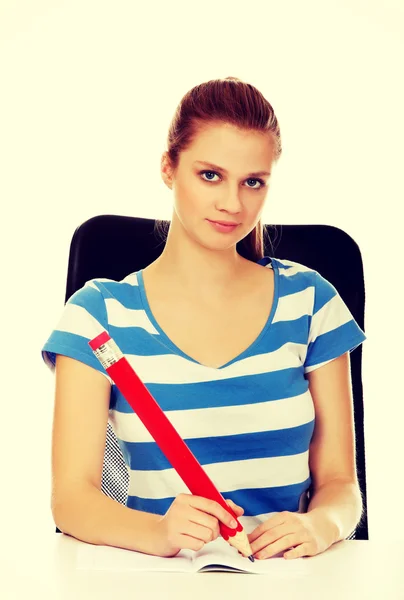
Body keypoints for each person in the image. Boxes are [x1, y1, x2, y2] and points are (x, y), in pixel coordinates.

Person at [41, 76, 367, 561]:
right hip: (154, 581)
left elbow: (341, 483)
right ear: (168, 168)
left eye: (253, 182)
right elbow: (72, 499)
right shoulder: (98, 316)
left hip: (289, 583)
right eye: (210, 175)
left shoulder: (312, 302)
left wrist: (321, 525)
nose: (233, 204)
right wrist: (161, 533)